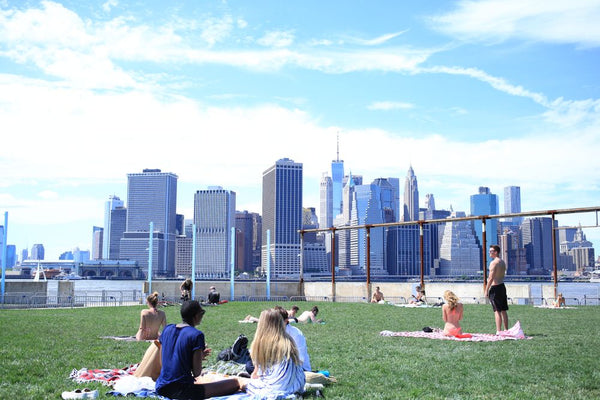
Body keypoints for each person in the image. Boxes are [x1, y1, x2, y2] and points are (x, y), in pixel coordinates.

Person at [155, 300, 241, 399]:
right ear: (196, 316)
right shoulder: (196, 335)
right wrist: (198, 358)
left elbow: (164, 361)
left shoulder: (167, 329)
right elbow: (197, 372)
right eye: (202, 313)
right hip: (181, 390)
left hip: (160, 386)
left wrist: (194, 356)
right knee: (234, 383)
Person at [244, 309, 306, 398]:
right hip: (297, 384)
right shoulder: (288, 340)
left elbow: (258, 374)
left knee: (237, 382)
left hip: (277, 387)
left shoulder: (263, 342)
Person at [274, 306, 312, 371]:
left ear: (286, 321)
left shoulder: (296, 334)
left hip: (299, 369)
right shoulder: (271, 333)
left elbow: (300, 360)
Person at [486, 244, 509, 333]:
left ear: (496, 252)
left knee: (497, 310)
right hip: (502, 287)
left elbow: (491, 277)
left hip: (495, 288)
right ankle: (506, 329)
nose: (489, 253)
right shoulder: (502, 262)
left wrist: (486, 289)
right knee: (503, 310)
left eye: (491, 251)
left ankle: (498, 330)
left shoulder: (494, 263)